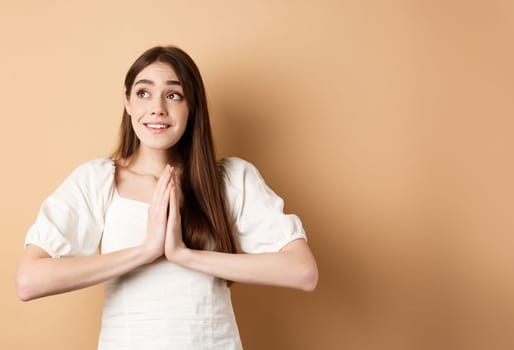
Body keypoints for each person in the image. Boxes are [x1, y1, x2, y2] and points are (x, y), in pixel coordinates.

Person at [15, 46, 318, 349]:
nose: (157, 108)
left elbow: (302, 272)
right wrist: (146, 251)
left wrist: (184, 254)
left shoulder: (230, 180)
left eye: (173, 95)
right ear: (128, 104)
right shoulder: (98, 180)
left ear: (192, 107)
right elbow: (30, 280)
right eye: (143, 93)